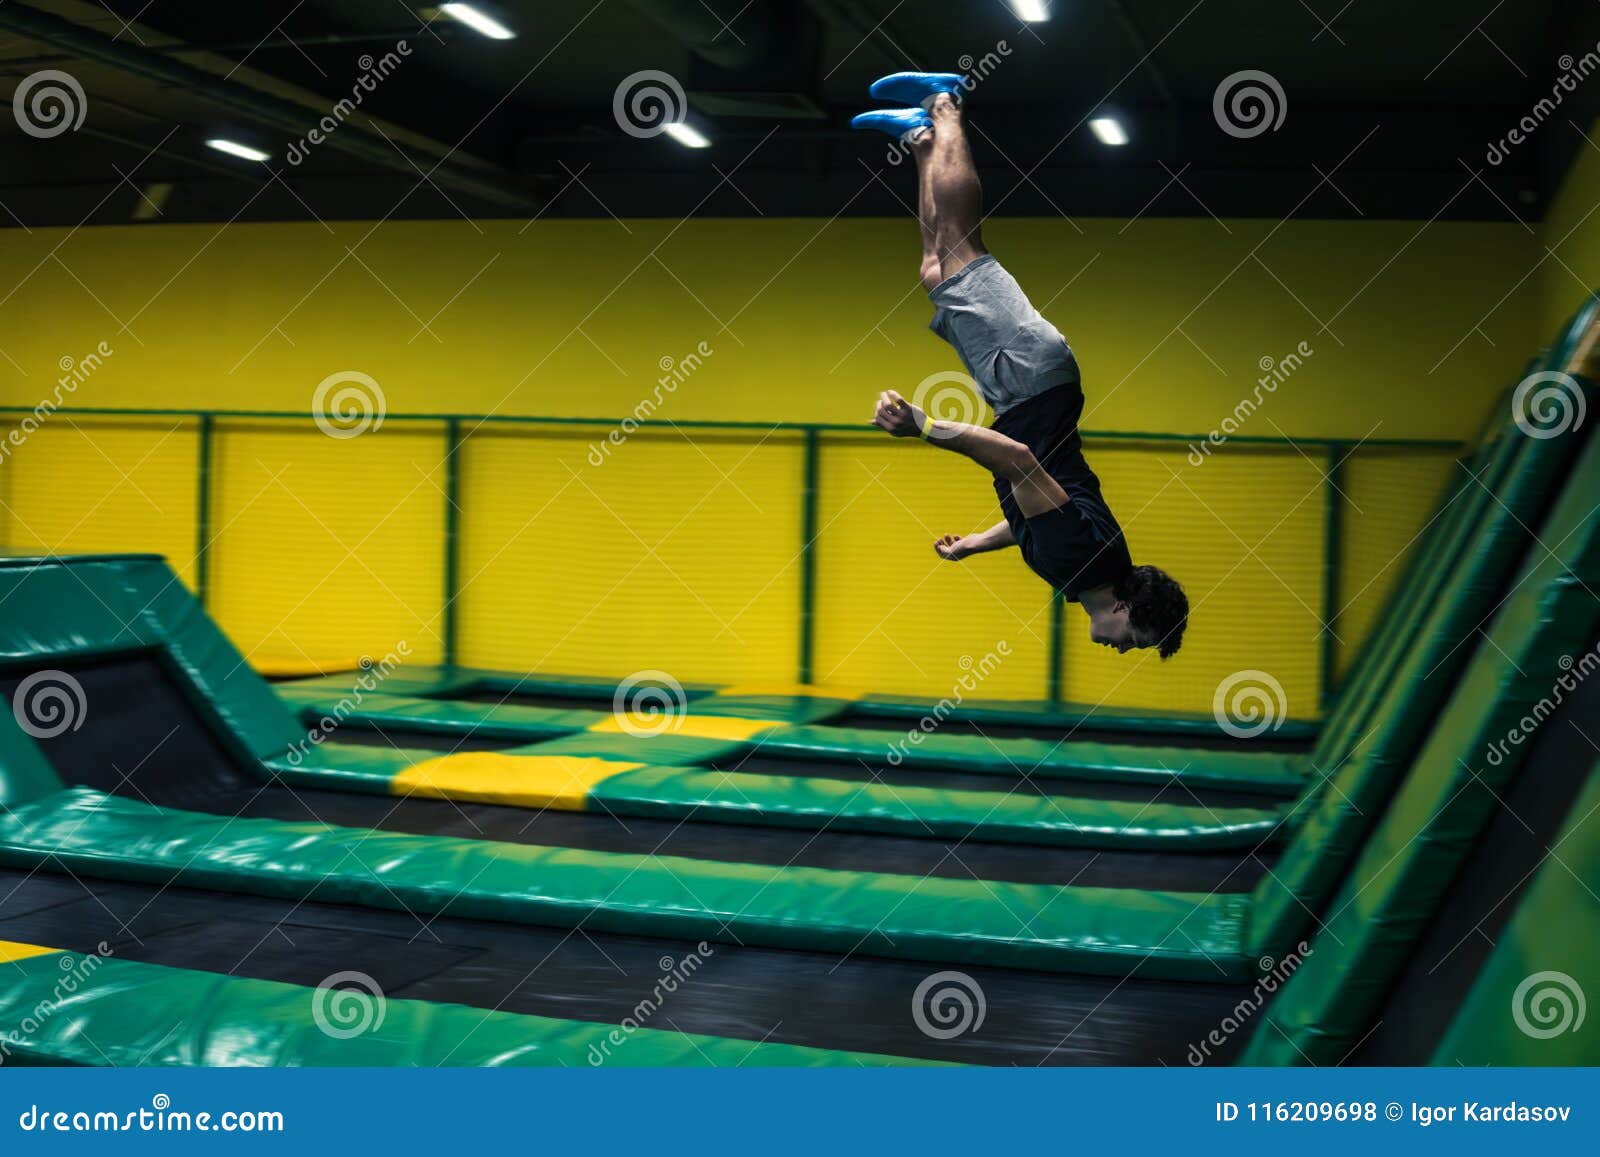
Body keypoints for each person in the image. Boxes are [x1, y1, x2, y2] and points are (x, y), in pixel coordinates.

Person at [852, 73, 1187, 658]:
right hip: (1029, 379)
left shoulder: (1094, 566)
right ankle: (945, 105)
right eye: (1136, 639)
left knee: (937, 270)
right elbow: (1019, 462)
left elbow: (1032, 515)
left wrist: (975, 545)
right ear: (1128, 610)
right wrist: (921, 427)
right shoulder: (1080, 564)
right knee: (960, 246)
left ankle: (924, 141)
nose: (1124, 648)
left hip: (1028, 386)